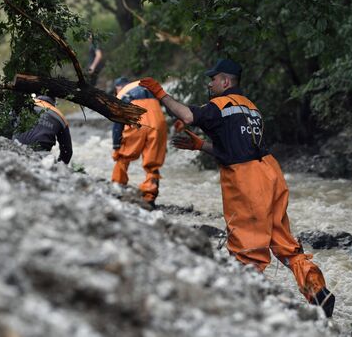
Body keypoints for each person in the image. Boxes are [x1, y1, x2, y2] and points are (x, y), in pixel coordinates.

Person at [138, 59, 335, 318]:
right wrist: (201, 146)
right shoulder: (252, 108)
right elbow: (238, 147)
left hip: (248, 181)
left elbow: (187, 115)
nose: (210, 84)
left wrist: (161, 94)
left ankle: (246, 309)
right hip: (271, 173)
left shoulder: (219, 106)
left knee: (247, 250)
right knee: (283, 243)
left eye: (213, 79)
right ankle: (318, 292)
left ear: (226, 82)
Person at [112, 77, 167, 208]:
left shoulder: (122, 93)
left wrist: (116, 145)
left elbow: (117, 121)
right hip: (158, 122)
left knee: (123, 156)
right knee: (153, 163)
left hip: (136, 120)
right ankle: (149, 197)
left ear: (119, 86)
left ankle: (117, 188)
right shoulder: (147, 86)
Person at [13, 95, 72, 164]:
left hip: (15, 148)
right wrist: (60, 167)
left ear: (37, 96)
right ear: (54, 101)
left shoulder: (23, 104)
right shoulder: (60, 117)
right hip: (41, 155)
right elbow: (67, 152)